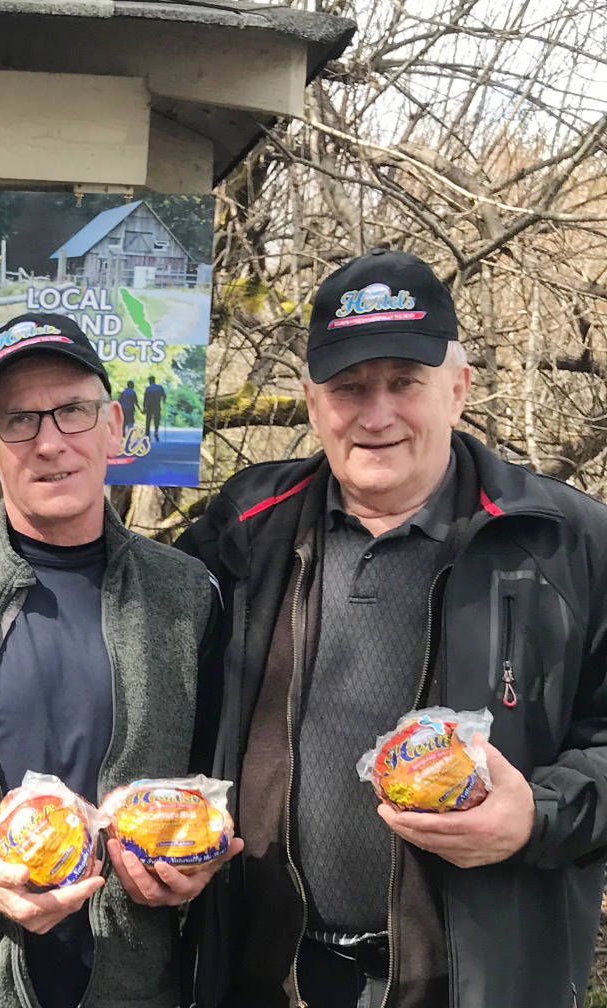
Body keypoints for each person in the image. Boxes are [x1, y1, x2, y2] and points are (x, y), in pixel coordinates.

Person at [178, 249, 607, 1007]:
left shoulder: (563, 542)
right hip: (269, 979)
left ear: (457, 389)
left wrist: (536, 818)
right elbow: (131, 626)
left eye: (404, 382)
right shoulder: (246, 528)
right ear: (313, 403)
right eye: (348, 387)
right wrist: (20, 549)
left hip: (473, 987)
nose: (375, 416)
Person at [0, 313, 236, 1008]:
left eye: (73, 411)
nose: (50, 441)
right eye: (19, 421)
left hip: (132, 987)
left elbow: (221, 779)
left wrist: (197, 861)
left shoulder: (186, 594)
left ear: (114, 427)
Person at [142, 375, 165, 441]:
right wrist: (163, 400)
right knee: (156, 420)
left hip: (149, 407)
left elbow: (145, 399)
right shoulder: (160, 387)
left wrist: (144, 408)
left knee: (148, 421)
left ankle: (147, 435)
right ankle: (156, 432)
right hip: (157, 406)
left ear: (150, 381)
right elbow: (164, 396)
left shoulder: (148, 389)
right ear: (154, 380)